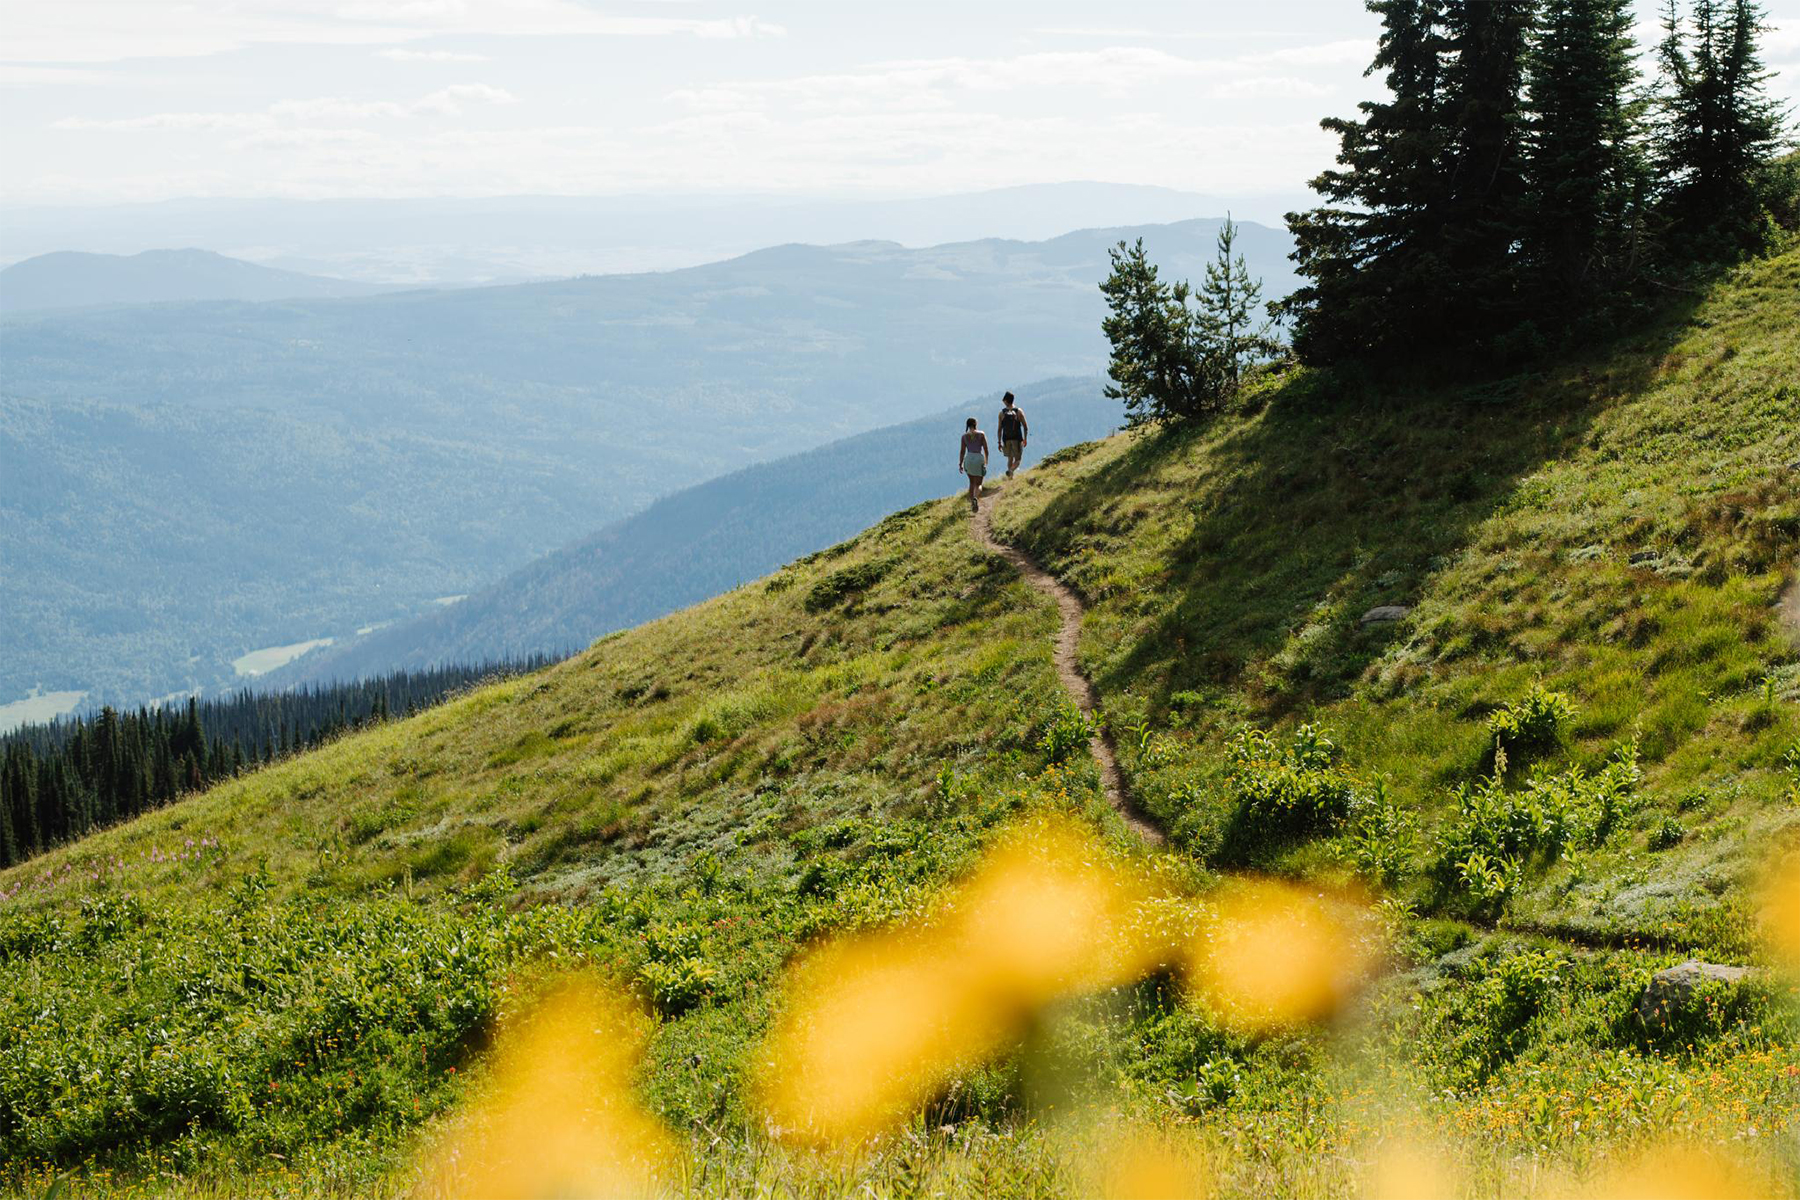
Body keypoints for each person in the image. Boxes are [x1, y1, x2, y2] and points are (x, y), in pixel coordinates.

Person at [958, 417, 989, 514]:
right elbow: (986, 449)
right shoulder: (981, 434)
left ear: (967, 425)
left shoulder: (964, 436)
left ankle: (972, 503)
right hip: (978, 458)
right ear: (976, 424)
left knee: (971, 482)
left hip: (969, 458)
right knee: (979, 484)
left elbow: (962, 451)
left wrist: (960, 464)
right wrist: (986, 461)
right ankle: (975, 497)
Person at [997, 391, 1028, 478]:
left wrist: (999, 442)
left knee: (1010, 458)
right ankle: (1011, 471)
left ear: (1005, 401)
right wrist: (1025, 439)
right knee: (1018, 459)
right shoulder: (1019, 411)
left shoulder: (1001, 413)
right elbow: (1025, 427)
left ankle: (1010, 477)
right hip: (1017, 438)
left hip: (1006, 439)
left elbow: (999, 429)